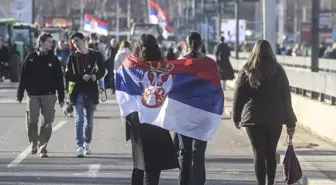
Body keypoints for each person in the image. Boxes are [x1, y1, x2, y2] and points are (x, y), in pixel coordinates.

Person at [232, 39, 296, 185]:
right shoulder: (278, 70)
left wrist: (236, 116)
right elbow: (286, 97)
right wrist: (290, 121)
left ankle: (261, 183)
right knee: (271, 152)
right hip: (274, 117)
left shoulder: (247, 69)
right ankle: (270, 183)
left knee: (258, 154)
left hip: (253, 118)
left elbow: (239, 95)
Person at [125, 34, 178, 185]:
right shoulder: (166, 68)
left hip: (138, 120)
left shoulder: (131, 67)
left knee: (139, 164)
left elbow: (126, 94)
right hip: (158, 119)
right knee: (153, 168)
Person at [16, 32, 65, 158]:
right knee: (32, 121)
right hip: (33, 95)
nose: (51, 44)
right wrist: (20, 94)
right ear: (41, 42)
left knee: (47, 122)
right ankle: (33, 143)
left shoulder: (53, 59)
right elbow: (23, 77)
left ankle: (42, 147)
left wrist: (61, 97)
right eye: (48, 41)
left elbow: (59, 79)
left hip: (49, 95)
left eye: (51, 41)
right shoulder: (31, 58)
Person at [174, 32, 210, 185]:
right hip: (202, 112)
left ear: (186, 44)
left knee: (185, 151)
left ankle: (184, 181)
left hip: (183, 112)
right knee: (199, 152)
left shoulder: (180, 63)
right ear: (201, 44)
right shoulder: (209, 63)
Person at [65, 32, 106, 157]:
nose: (75, 45)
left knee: (89, 120)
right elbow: (67, 75)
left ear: (83, 40)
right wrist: (80, 77)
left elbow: (103, 70)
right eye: (73, 43)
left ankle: (87, 142)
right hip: (78, 91)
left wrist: (94, 76)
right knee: (79, 119)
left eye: (77, 41)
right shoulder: (72, 57)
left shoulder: (95, 55)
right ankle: (80, 146)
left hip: (92, 91)